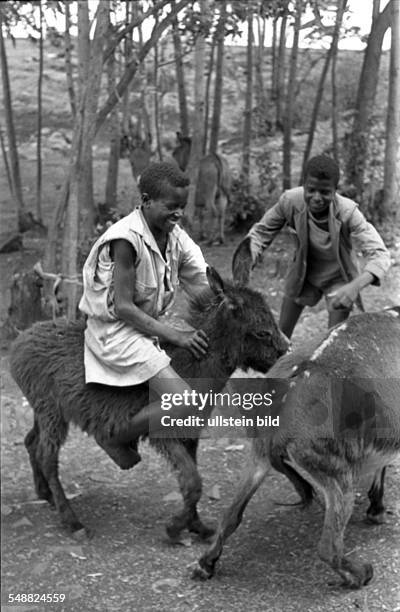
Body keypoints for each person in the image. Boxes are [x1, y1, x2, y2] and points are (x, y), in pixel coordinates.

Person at [79, 162, 210, 469]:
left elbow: (203, 284)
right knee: (186, 401)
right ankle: (114, 436)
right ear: (147, 200)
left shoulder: (174, 236)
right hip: (117, 332)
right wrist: (176, 334)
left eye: (182, 207)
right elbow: (123, 307)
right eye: (171, 207)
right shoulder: (125, 239)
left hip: (145, 329)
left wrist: (234, 306)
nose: (178, 214)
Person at [232, 155, 391, 338]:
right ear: (304, 185)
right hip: (303, 274)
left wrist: (354, 286)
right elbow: (260, 233)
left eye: (324, 192)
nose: (317, 198)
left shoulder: (348, 212)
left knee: (333, 341)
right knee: (281, 337)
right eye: (311, 190)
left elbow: (380, 255)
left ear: (334, 191)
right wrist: (246, 260)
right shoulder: (290, 201)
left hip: (339, 280)